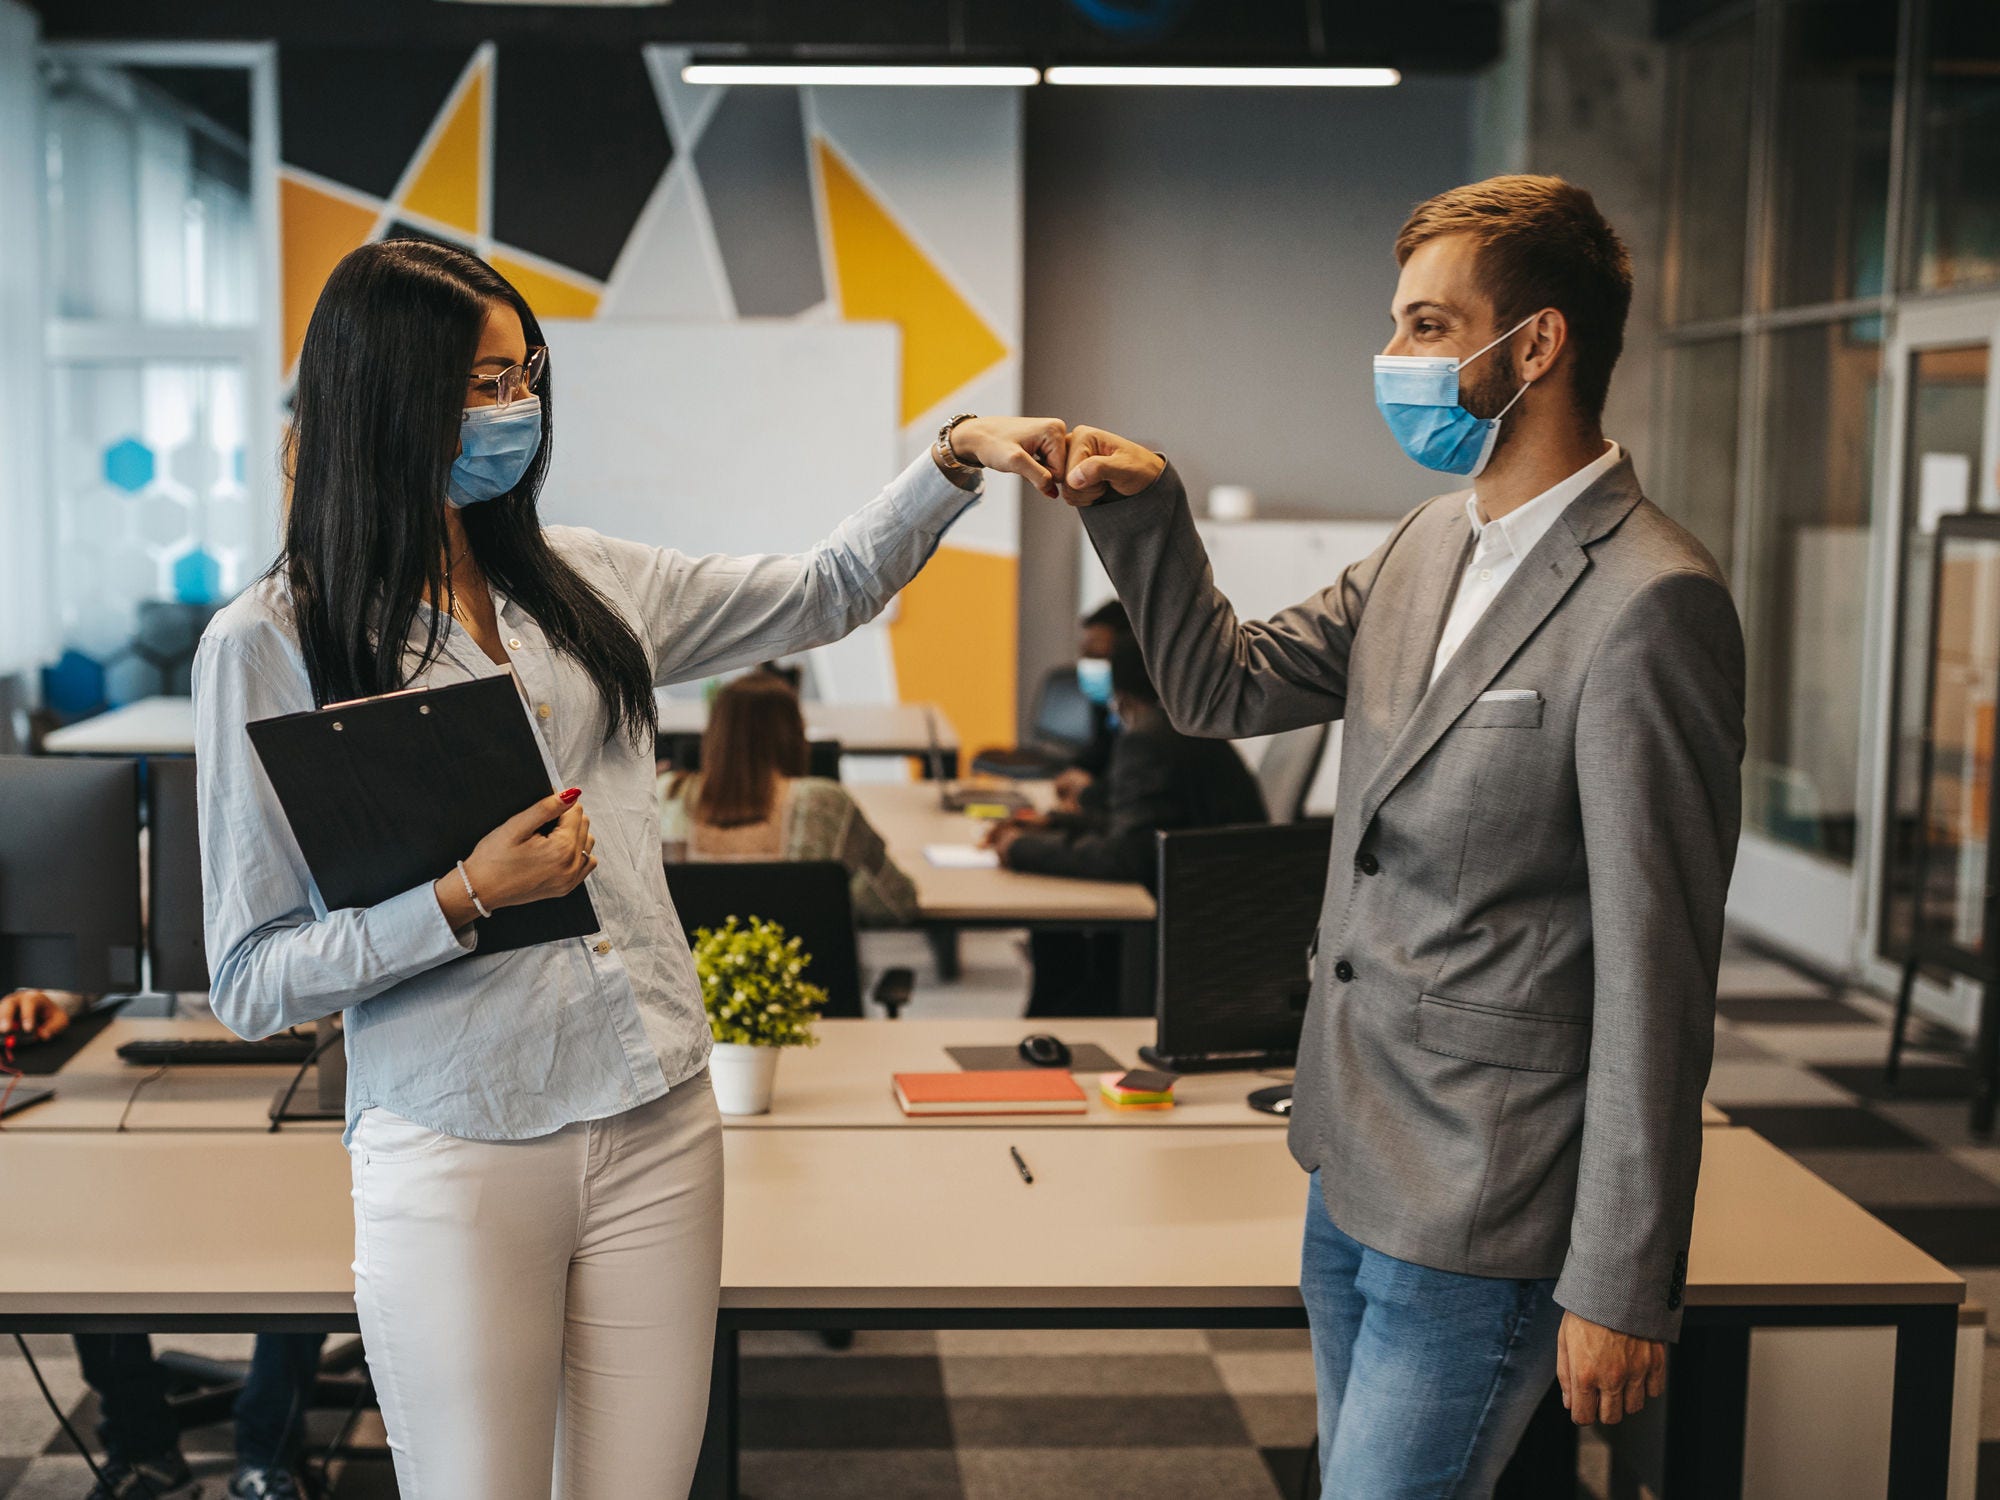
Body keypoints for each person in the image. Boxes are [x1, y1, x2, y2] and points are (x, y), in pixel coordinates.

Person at [193, 237, 1067, 1497]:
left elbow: (823, 590)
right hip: (460, 1141)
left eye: (522, 376)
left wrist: (953, 457)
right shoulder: (273, 641)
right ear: (383, 397)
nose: (513, 410)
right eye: (478, 383)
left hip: (657, 1108)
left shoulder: (583, 582)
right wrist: (462, 899)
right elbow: (250, 979)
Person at [1050, 176, 1745, 1495]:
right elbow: (1220, 689)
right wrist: (1142, 508)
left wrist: (1624, 1275)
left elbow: (1663, 973)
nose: (1397, 359)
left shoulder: (1655, 603)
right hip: (1351, 1153)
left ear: (1534, 344)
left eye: (1430, 326)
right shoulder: (1429, 542)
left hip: (1490, 1193)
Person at [2, 990, 327, 1500]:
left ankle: (269, 1454)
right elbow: (117, 937)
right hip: (175, 1058)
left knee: (316, 1240)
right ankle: (142, 1450)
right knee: (88, 1220)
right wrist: (63, 995)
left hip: (319, 1037)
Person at [987, 633, 1266, 1015]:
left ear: (1123, 698)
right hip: (1228, 917)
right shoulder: (1184, 728)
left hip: (1186, 937)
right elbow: (1140, 826)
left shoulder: (1147, 740)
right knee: (1056, 935)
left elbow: (1126, 856)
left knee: (1059, 935)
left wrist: (1019, 848)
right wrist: (1056, 823)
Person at [658, 670, 920, 925]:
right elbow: (895, 904)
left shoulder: (667, 796)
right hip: (805, 968)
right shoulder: (823, 804)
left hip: (700, 967)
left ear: (713, 734)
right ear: (795, 734)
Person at [1050, 598, 1130, 813]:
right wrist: (1075, 772)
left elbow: (1128, 788)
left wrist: (1088, 792)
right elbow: (1100, 748)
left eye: (1097, 655)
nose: (1088, 663)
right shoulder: (1105, 701)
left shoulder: (1156, 718)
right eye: (1085, 654)